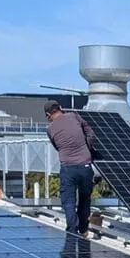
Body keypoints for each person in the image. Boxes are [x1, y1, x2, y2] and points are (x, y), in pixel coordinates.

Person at [44, 100, 96, 237]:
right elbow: (91, 134)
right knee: (85, 199)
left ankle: (72, 232)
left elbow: (57, 147)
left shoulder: (50, 129)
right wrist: (87, 148)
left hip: (67, 168)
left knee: (68, 201)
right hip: (85, 166)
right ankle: (83, 229)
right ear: (60, 108)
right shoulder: (74, 116)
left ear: (48, 115)